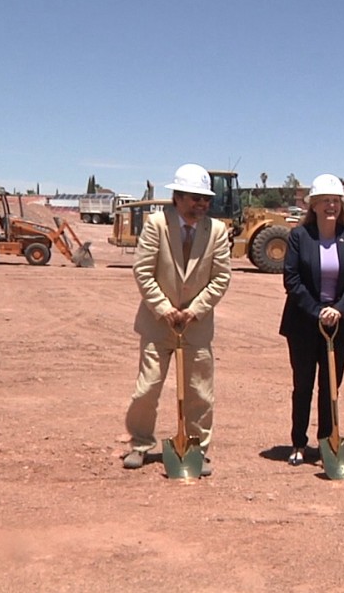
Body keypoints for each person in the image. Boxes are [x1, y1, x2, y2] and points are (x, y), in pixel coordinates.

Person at [122, 163, 232, 476]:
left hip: (196, 326)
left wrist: (195, 309)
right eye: (195, 198)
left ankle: (196, 448)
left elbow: (221, 277)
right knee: (147, 388)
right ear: (178, 197)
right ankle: (140, 445)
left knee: (199, 391)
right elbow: (142, 270)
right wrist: (164, 308)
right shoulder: (156, 224)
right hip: (159, 324)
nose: (202, 204)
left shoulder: (217, 231)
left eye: (205, 199)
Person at [279, 173, 344, 466]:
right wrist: (317, 311)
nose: (331, 206)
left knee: (331, 385)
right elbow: (291, 280)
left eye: (336, 201)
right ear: (313, 206)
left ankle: (328, 439)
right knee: (302, 384)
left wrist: (338, 309)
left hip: (339, 323)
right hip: (304, 323)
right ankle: (298, 443)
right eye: (325, 201)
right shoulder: (299, 237)